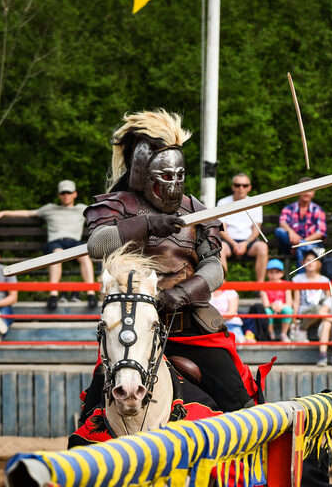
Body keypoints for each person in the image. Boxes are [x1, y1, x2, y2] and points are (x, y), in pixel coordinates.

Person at [82, 110, 256, 416]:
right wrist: (147, 225)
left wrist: (183, 293)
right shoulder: (117, 206)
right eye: (165, 176)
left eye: (179, 175)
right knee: (94, 412)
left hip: (189, 326)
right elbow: (97, 245)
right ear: (143, 172)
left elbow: (214, 267)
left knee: (241, 402)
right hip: (133, 329)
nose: (174, 183)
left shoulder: (195, 210)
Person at [0, 180, 97, 310]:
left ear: (75, 194)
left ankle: (91, 293)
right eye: (63, 193)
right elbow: (27, 213)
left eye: (69, 192)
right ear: (59, 195)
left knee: (85, 255)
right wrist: (4, 212)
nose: (66, 195)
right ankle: (53, 294)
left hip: (74, 242)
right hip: (55, 242)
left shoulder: (82, 209)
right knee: (57, 254)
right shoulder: (50, 209)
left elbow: (102, 213)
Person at [217, 172, 269, 281]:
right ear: (233, 187)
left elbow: (256, 229)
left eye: (244, 185)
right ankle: (223, 286)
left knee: (263, 247)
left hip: (249, 242)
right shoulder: (223, 203)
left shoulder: (255, 203)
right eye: (237, 185)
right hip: (228, 243)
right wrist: (234, 244)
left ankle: (260, 287)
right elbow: (222, 229)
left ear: (249, 188)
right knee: (219, 249)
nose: (241, 188)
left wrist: (245, 243)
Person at [275, 184, 327, 264]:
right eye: (303, 190)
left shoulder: (318, 210)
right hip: (290, 245)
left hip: (309, 243)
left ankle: (304, 247)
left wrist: (301, 243)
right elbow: (282, 223)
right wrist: (291, 233)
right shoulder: (288, 208)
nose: (306, 193)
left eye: (309, 190)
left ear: (313, 193)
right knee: (279, 231)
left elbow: (320, 233)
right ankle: (308, 248)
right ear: (298, 191)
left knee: (300, 249)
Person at [292, 250, 329, 340]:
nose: (310, 263)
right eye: (307, 260)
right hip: (305, 310)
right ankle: (301, 329)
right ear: (303, 263)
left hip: (321, 311)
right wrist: (293, 318)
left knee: (318, 308)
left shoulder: (325, 280)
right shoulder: (298, 279)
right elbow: (296, 301)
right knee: (316, 309)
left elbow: (329, 300)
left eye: (313, 260)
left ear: (318, 263)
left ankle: (301, 329)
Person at [261, 259, 293, 342]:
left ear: (282, 273)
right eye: (271, 272)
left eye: (277, 272)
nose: (274, 275)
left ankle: (284, 334)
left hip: (282, 309)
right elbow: (266, 304)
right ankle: (271, 333)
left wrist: (280, 306)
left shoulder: (286, 285)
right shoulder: (264, 286)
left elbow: (289, 303)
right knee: (267, 311)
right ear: (267, 274)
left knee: (288, 310)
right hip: (271, 309)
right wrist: (273, 306)